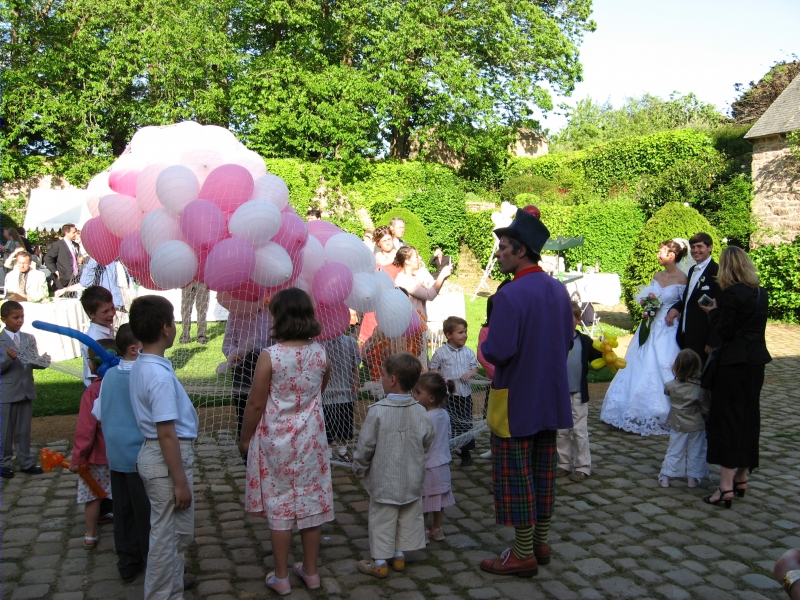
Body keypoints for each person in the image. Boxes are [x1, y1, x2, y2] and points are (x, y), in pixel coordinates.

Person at [479, 207, 573, 578]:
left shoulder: (510, 295)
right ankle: (540, 543)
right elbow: (566, 340)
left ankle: (523, 554)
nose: (499, 253)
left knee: (517, 476)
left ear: (521, 251)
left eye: (503, 247)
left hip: (516, 399)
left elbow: (499, 351)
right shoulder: (558, 289)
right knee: (542, 471)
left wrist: (484, 348)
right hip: (549, 396)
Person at [238, 288, 333, 595]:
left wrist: (245, 439)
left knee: (280, 504)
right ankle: (311, 571)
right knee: (309, 502)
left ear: (278, 317)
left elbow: (254, 404)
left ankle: (281, 577)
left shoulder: (271, 356)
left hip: (276, 441)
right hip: (311, 442)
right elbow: (320, 389)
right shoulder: (320, 353)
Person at [129, 295, 199, 599]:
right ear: (165, 328)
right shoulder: (156, 375)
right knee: (164, 537)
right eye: (173, 320)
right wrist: (180, 481)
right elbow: (166, 432)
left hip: (162, 457)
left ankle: (174, 584)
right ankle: (160, 593)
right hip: (166, 458)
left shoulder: (146, 363)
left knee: (178, 532)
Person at [699, 246, 771, 508]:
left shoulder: (731, 294)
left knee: (727, 420)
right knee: (750, 418)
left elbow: (726, 332)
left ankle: (725, 486)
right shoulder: (761, 293)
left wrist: (714, 313)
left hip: (733, 364)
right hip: (756, 362)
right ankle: (742, 476)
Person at [352, 352, 435, 579]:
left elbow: (366, 444)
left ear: (392, 380)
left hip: (384, 478)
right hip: (411, 476)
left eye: (383, 375)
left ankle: (379, 562)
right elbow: (428, 438)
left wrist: (358, 465)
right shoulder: (420, 411)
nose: (381, 378)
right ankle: (399, 556)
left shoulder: (377, 411)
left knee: (382, 517)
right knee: (407, 514)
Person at [600, 240, 689, 436]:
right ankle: (630, 410)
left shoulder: (683, 279)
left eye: (661, 252)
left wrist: (674, 311)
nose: (658, 255)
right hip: (649, 326)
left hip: (668, 328)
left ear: (672, 255)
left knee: (663, 364)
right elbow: (651, 297)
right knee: (638, 362)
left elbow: (684, 303)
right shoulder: (657, 275)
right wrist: (647, 305)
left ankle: (665, 411)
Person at [94, 324, 150, 583]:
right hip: (140, 456)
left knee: (123, 511)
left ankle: (128, 561)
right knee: (147, 512)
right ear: (133, 349)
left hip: (116, 456)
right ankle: (154, 561)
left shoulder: (109, 377)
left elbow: (98, 411)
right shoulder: (143, 375)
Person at [70, 338, 117, 549]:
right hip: (121, 454)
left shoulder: (92, 392)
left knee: (93, 496)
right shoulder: (125, 384)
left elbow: (85, 429)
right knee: (124, 495)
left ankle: (91, 534)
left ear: (91, 364)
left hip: (96, 457)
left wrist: (78, 458)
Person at [0, 301, 50, 479]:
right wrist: (7, 358)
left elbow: (32, 361)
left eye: (22, 317)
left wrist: (42, 362)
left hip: (25, 390)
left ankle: (26, 462)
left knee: (23, 430)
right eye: (15, 318)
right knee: (4, 431)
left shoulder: (28, 338)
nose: (20, 320)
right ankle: (3, 463)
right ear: (4, 319)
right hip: (6, 393)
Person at [556, 303, 604, 482]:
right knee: (561, 431)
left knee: (579, 430)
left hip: (579, 393)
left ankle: (583, 466)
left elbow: (597, 358)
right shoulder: (556, 340)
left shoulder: (585, 341)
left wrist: (606, 352)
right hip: (559, 393)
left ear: (578, 320)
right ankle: (563, 464)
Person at [429, 316, 479, 466]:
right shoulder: (441, 352)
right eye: (460, 332)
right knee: (447, 422)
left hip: (464, 394)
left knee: (465, 423)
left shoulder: (468, 352)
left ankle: (466, 452)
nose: (464, 335)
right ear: (449, 335)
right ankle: (445, 450)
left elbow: (475, 368)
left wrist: (469, 373)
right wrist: (442, 379)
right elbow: (433, 369)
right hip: (449, 396)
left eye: (465, 332)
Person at [657, 348, 710, 489]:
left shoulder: (670, 386)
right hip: (696, 425)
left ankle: (666, 476)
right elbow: (705, 408)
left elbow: (667, 392)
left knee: (674, 450)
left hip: (677, 424)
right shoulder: (699, 389)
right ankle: (694, 476)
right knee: (696, 451)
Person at [413, 371, 456, 542]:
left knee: (423, 501)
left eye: (418, 392)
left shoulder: (423, 417)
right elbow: (448, 434)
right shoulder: (444, 414)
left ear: (431, 398)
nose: (414, 395)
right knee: (439, 501)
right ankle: (437, 529)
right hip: (442, 464)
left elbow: (419, 440)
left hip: (427, 466)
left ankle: (421, 531)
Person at [394, 246, 453, 367]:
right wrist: (441, 276)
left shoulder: (415, 277)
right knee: (413, 362)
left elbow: (431, 291)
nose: (419, 258)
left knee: (421, 360)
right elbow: (429, 295)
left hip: (419, 325)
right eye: (416, 256)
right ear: (407, 261)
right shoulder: (403, 280)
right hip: (410, 329)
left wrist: (443, 278)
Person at [666, 232, 720, 363]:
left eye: (700, 246)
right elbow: (688, 297)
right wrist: (676, 307)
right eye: (693, 247)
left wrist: (712, 340)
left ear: (710, 248)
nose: (695, 250)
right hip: (687, 332)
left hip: (703, 335)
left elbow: (720, 308)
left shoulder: (717, 272)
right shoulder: (691, 271)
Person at [321, 333, 361, 459]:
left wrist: (355, 384)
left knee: (345, 422)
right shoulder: (320, 344)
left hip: (345, 391)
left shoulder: (351, 342)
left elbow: (355, 366)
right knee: (327, 423)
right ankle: (327, 453)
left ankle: (342, 451)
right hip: (327, 393)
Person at [80, 286, 117, 387]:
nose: (112, 313)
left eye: (112, 308)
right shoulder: (94, 339)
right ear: (91, 314)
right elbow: (93, 374)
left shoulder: (106, 327)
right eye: (105, 311)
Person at [44, 223, 81, 291]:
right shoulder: (58, 245)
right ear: (66, 233)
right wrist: (55, 271)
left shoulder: (76, 245)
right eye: (73, 232)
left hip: (75, 277)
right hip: (63, 278)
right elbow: (48, 258)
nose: (75, 234)